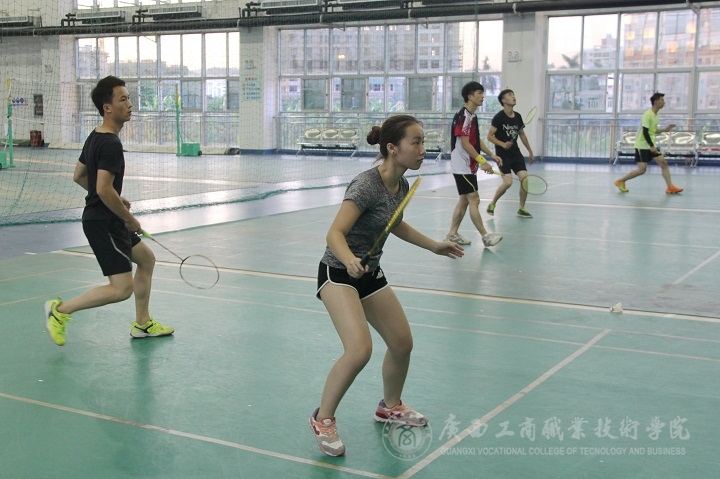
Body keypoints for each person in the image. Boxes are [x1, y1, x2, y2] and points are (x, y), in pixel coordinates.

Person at [309, 115, 464, 457]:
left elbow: (395, 224)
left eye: (423, 142)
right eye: (416, 142)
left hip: (369, 274)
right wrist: (349, 259)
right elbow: (334, 233)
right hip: (338, 273)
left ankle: (390, 407)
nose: (423, 149)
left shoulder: (402, 186)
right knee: (359, 350)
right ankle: (323, 419)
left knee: (401, 343)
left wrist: (434, 246)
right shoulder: (366, 185)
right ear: (393, 148)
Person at [43, 75, 174, 346]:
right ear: (107, 108)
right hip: (103, 222)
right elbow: (102, 189)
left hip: (105, 216)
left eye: (129, 98)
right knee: (121, 289)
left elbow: (80, 176)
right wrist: (130, 219)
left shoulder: (95, 136)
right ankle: (60, 311)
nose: (129, 104)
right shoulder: (111, 144)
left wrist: (116, 197)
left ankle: (143, 324)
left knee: (146, 259)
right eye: (123, 99)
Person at [445, 81, 503, 247]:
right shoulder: (463, 116)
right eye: (479, 93)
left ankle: (452, 234)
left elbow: (475, 141)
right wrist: (483, 162)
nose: (482, 96)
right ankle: (485, 236)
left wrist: (491, 155)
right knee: (474, 199)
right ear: (470, 96)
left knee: (464, 200)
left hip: (467, 165)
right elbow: (465, 144)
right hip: (462, 165)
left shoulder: (471, 116)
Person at [614, 92, 683, 194]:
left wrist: (665, 130)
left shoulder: (657, 115)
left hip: (651, 145)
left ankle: (670, 187)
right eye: (662, 100)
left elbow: (652, 131)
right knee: (642, 170)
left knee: (663, 163)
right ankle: (620, 181)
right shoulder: (647, 115)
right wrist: (651, 146)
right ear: (655, 102)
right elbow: (645, 132)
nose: (664, 102)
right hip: (642, 145)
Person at [486, 89, 536, 218]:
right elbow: (489, 136)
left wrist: (530, 150)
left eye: (513, 95)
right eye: (510, 95)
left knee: (525, 179)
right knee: (508, 183)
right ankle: (492, 204)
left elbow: (522, 135)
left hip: (515, 153)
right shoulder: (499, 117)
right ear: (503, 100)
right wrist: (502, 144)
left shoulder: (518, 116)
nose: (513, 97)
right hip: (502, 155)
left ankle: (521, 208)